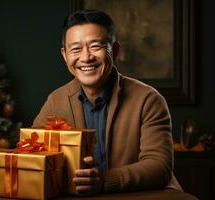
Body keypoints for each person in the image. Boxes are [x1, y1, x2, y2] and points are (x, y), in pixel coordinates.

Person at [33, 9, 181, 195]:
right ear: (65, 55)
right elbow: (33, 153)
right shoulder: (56, 101)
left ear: (115, 50)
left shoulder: (148, 100)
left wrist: (105, 180)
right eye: (76, 49)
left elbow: (160, 167)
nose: (86, 57)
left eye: (96, 46)